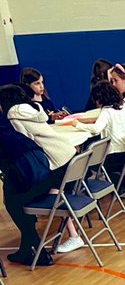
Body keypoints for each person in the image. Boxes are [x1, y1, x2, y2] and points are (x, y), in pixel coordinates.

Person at [1, 83, 92, 253]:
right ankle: (70, 235)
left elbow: (25, 141)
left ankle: (67, 237)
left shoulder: (13, 116)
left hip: (54, 160)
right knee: (52, 191)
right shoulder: (33, 109)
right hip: (67, 155)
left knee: (25, 195)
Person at [0, 101, 60, 265]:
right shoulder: (6, 118)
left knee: (14, 203)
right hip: (38, 160)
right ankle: (26, 249)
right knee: (20, 201)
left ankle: (40, 253)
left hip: (22, 165)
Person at [78, 80, 125, 181]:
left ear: (100, 99)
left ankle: (97, 182)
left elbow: (96, 129)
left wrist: (77, 125)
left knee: (89, 159)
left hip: (113, 157)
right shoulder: (119, 109)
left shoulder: (106, 112)